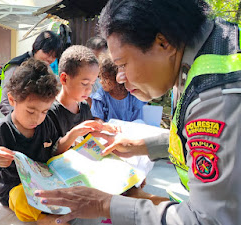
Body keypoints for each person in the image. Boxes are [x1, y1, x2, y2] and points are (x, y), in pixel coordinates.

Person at [35, 0, 241, 224]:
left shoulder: (216, 95)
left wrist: (104, 204)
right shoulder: (207, 55)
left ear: (164, 43)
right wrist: (142, 146)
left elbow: (210, 219)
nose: (120, 78)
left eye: (122, 65)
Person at [0, 58, 103, 224]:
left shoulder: (45, 123)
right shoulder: (3, 130)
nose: (37, 118)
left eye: (44, 111)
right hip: (18, 189)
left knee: (78, 182)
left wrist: (73, 134)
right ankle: (45, 219)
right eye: (31, 111)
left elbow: (55, 149)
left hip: (47, 183)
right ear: (12, 100)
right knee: (19, 197)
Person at [48, 45, 117, 138]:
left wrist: (102, 128)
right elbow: (53, 150)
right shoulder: (50, 112)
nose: (89, 90)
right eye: (84, 83)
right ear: (64, 79)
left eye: (92, 84)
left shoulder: (84, 107)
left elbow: (88, 136)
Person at [0, 31, 61, 116]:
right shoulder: (16, 65)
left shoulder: (47, 68)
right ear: (36, 47)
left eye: (54, 56)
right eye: (47, 53)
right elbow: (5, 102)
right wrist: (19, 121)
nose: (50, 59)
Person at [91, 54, 146, 123]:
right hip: (108, 131)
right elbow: (98, 119)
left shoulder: (133, 96)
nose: (101, 82)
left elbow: (138, 121)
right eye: (100, 77)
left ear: (118, 80)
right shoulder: (100, 96)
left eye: (105, 79)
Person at [85, 36, 109, 106]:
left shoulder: (116, 78)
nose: (97, 64)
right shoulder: (82, 79)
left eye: (101, 59)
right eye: (93, 60)